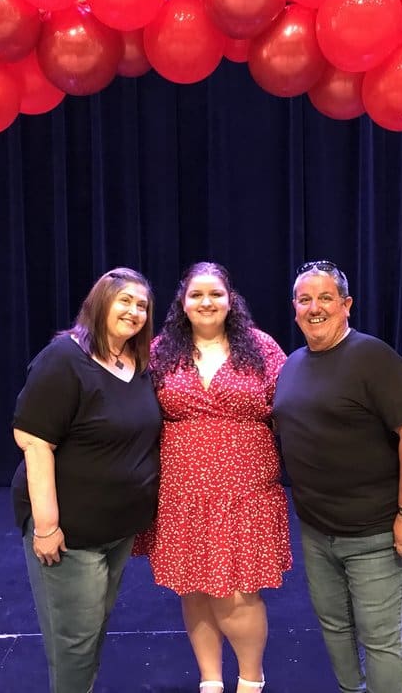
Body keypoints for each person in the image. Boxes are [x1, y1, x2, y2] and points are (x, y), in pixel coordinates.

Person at [272, 260, 402, 693]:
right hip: (316, 529)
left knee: (380, 638)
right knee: (334, 626)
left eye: (325, 298)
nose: (315, 308)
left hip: (375, 533)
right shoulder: (292, 366)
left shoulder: (372, 357)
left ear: (347, 305)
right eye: (305, 300)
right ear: (294, 309)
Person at [139, 262, 292, 693]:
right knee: (194, 587)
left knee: (237, 590)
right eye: (196, 295)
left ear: (231, 300)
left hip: (244, 490)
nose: (206, 302)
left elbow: (293, 405)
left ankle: (250, 680)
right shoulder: (161, 350)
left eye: (216, 294)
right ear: (182, 303)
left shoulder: (260, 348)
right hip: (182, 488)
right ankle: (210, 681)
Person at [10, 267, 161, 693]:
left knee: (92, 630)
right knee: (74, 643)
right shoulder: (64, 358)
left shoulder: (137, 363)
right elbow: (35, 441)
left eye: (142, 305)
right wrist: (46, 526)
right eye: (125, 300)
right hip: (69, 534)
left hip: (117, 530)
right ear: (100, 302)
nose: (134, 311)